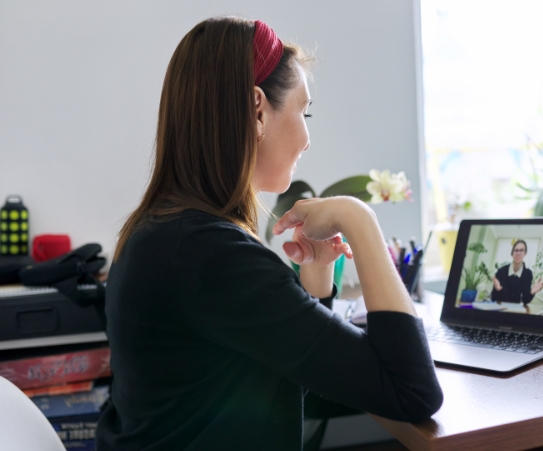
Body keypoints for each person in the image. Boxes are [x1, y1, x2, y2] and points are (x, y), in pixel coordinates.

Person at [95, 17, 442, 450]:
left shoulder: (163, 232)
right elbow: (412, 392)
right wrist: (360, 219)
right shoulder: (212, 255)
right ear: (257, 109)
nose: (308, 138)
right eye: (304, 110)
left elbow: (284, 381)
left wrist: (314, 290)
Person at [490, 240, 543, 305]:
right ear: (512, 253)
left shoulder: (527, 273)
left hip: (515, 311)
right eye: (516, 250)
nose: (518, 253)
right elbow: (493, 298)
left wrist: (532, 292)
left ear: (525, 253)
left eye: (521, 250)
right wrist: (497, 290)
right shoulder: (501, 271)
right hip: (500, 310)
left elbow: (525, 300)